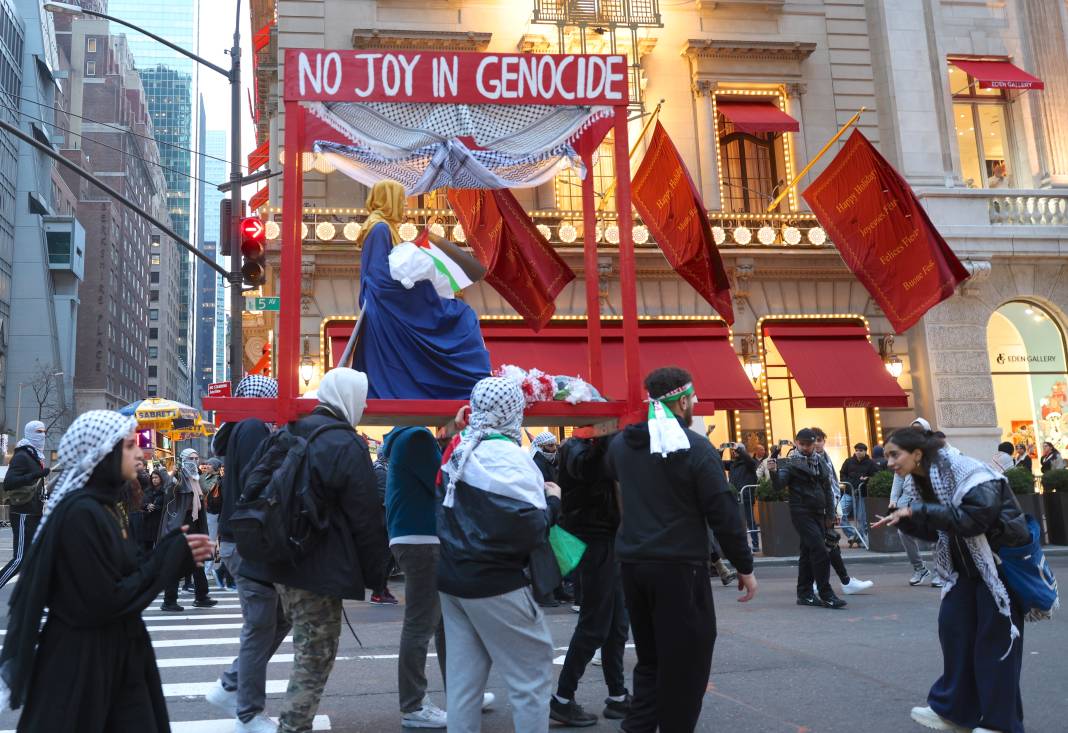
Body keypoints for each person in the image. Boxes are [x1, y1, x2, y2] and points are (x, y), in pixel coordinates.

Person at [0, 410, 213, 732]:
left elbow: (125, 576)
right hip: (84, 668)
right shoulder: (81, 514)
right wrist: (166, 560)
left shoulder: (105, 507)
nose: (139, 453)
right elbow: (105, 601)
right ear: (104, 454)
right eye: (129, 446)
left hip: (114, 659)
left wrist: (175, 555)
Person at [606, 367, 757, 732]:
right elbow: (722, 509)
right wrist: (744, 565)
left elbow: (612, 483)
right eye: (693, 399)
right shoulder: (694, 447)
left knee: (651, 660)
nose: (695, 404)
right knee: (687, 663)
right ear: (683, 400)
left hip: (633, 563)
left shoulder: (621, 445)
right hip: (678, 565)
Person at [240, 367, 389, 733]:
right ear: (349, 399)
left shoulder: (291, 431)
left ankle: (272, 712)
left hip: (279, 560)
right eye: (363, 396)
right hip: (318, 569)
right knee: (315, 655)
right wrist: (378, 577)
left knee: (301, 643)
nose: (366, 404)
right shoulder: (346, 443)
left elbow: (251, 484)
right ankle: (293, 726)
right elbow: (366, 518)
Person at [874, 427, 1030, 733]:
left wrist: (917, 510)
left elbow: (973, 521)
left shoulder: (967, 470)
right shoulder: (924, 480)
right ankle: (954, 713)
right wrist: (908, 521)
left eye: (895, 454)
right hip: (965, 568)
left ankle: (1001, 724)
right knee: (954, 632)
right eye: (888, 455)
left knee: (995, 646)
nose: (889, 462)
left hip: (997, 567)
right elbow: (941, 531)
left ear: (917, 454)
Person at [437, 377, 562, 733]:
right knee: (532, 679)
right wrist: (553, 501)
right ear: (513, 411)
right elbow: (530, 528)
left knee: (463, 686)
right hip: (496, 583)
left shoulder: (461, 448)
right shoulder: (510, 457)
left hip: (451, 579)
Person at [205, 374, 292, 733]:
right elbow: (262, 483)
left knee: (280, 616)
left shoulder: (240, 429)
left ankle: (231, 684)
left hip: (240, 539)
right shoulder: (254, 427)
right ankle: (247, 712)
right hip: (248, 541)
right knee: (261, 624)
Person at [354, 180, 490, 399]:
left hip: (386, 304)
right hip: (389, 305)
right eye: (400, 200)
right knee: (461, 314)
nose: (405, 205)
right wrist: (422, 286)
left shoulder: (381, 226)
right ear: (389, 200)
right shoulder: (380, 228)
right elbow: (380, 276)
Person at [549, 433, 630, 727]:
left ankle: (618, 696)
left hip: (609, 539)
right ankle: (562, 698)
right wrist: (609, 440)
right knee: (595, 624)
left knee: (617, 624)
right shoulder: (575, 448)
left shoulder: (596, 446)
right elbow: (587, 469)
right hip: (594, 541)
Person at [772, 428, 846, 609]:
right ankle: (826, 593)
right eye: (802, 444)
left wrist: (830, 514)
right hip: (801, 511)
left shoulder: (820, 461)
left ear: (814, 444)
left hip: (818, 512)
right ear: (796, 443)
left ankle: (804, 593)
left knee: (807, 553)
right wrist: (774, 472)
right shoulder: (790, 463)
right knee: (820, 550)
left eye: (809, 444)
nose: (805, 448)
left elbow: (828, 489)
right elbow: (778, 486)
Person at [158, 448, 218, 612]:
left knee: (197, 561)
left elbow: (205, 491)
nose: (195, 461)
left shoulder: (196, 477)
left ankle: (201, 596)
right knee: (176, 562)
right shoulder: (178, 477)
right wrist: (169, 473)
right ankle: (169, 600)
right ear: (183, 459)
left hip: (194, 524)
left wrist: (199, 476)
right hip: (179, 525)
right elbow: (169, 489)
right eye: (191, 458)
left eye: (197, 458)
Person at [0, 421, 50, 589]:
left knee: (36, 558)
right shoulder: (23, 455)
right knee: (21, 559)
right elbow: (9, 483)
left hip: (34, 513)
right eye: (38, 431)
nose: (42, 434)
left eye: (44, 431)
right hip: (22, 513)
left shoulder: (35, 456)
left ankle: (32, 601)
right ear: (29, 432)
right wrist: (35, 475)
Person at [370, 446, 398, 606]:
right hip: (383, 521)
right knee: (385, 558)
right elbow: (384, 496)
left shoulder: (384, 469)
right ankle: (378, 592)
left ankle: (381, 588)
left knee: (389, 558)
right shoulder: (381, 471)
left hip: (384, 520)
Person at [726, 442, 760, 552]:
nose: (734, 452)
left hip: (746, 496)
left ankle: (755, 544)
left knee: (750, 521)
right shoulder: (732, 464)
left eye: (737, 451)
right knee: (736, 522)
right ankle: (740, 546)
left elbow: (750, 461)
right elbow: (717, 461)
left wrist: (739, 449)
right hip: (734, 497)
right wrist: (721, 450)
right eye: (734, 451)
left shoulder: (749, 463)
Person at [840, 443, 875, 548]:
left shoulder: (870, 463)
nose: (858, 452)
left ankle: (860, 538)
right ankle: (852, 535)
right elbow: (842, 474)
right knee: (840, 514)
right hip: (848, 493)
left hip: (862, 494)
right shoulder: (848, 461)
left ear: (865, 451)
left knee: (862, 519)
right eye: (856, 450)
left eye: (860, 450)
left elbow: (876, 475)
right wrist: (849, 482)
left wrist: (868, 479)